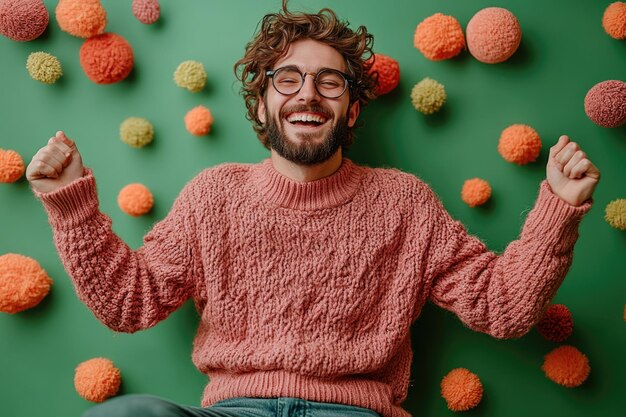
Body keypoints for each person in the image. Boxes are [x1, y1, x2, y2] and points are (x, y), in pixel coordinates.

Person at [26, 2, 600, 417]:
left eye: (330, 82)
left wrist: (560, 209)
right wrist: (71, 204)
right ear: (263, 101)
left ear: (351, 111)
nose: (308, 94)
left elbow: (501, 307)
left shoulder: (405, 204)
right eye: (289, 80)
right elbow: (129, 303)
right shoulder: (213, 196)